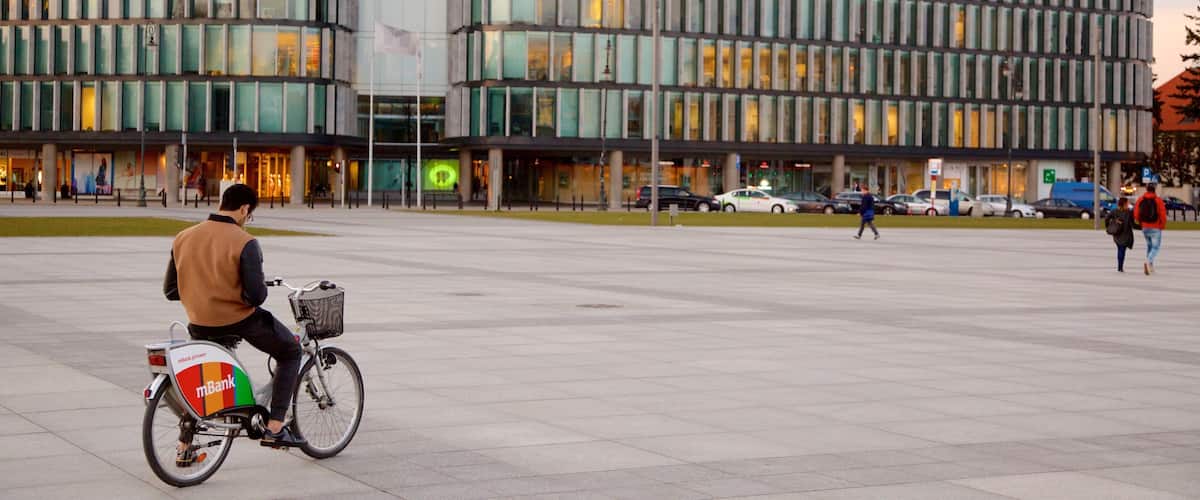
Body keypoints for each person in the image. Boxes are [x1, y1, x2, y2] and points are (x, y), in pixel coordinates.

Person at [162, 184, 305, 455]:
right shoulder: (244, 241)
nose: (247, 220)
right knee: (290, 350)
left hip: (198, 321)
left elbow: (171, 291)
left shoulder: (183, 237)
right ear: (244, 209)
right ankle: (275, 427)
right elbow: (256, 296)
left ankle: (184, 446)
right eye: (249, 216)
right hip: (237, 320)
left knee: (202, 383)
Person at [1133, 183, 1168, 275]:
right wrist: (1162, 225)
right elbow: (1163, 214)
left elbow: (1136, 213)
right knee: (1155, 247)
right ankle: (1148, 262)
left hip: (1145, 227)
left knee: (1149, 246)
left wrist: (1141, 223)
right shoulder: (1158, 200)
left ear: (1146, 189)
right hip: (1155, 227)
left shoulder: (1141, 199)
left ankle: (1150, 265)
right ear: (1154, 189)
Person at [1104, 197, 1136, 272]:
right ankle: (1120, 267)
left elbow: (1107, 218)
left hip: (1117, 233)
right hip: (1125, 234)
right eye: (1127, 203)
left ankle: (1120, 266)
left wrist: (1108, 226)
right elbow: (1133, 224)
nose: (1128, 204)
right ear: (1124, 204)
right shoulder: (1129, 212)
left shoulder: (1114, 211)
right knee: (1122, 250)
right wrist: (1141, 227)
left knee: (1120, 249)